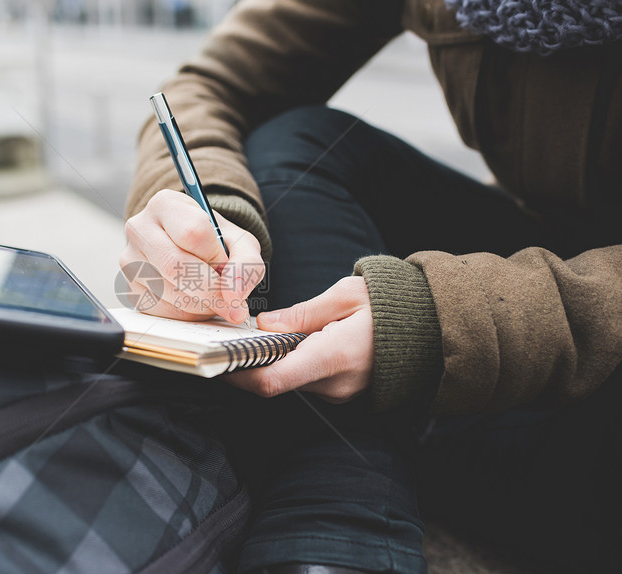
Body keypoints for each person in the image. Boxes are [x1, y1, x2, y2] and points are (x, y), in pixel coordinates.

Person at [121, 1, 622, 572]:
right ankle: (337, 525)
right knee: (297, 142)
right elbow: (212, 87)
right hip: (542, 265)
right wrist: (206, 212)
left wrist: (442, 320)